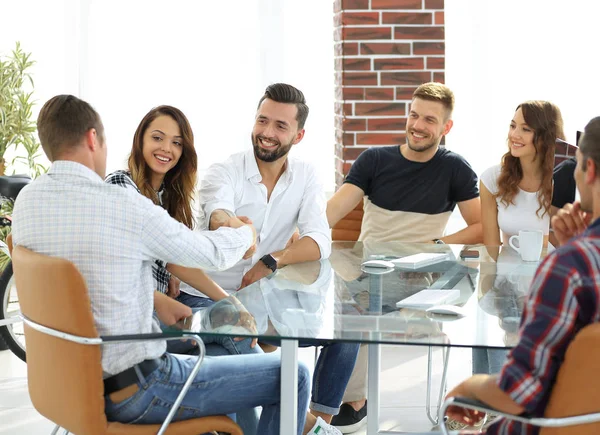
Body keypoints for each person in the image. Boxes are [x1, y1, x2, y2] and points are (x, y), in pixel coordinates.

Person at [11, 94, 312, 435]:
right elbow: (210, 253)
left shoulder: (27, 201)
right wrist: (245, 232)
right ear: (93, 138)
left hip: (70, 387)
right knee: (295, 375)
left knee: (221, 350)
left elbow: (92, 279)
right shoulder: (120, 201)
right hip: (140, 390)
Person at [198, 83, 359, 435]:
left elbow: (320, 239)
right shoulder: (224, 171)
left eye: (280, 126)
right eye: (262, 121)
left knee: (349, 329)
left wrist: (272, 258)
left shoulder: (306, 175)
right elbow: (217, 213)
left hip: (273, 302)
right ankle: (314, 429)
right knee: (261, 367)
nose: (267, 133)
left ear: (298, 136)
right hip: (218, 302)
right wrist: (236, 228)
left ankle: (322, 420)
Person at [326, 82, 482, 433]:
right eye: (413, 115)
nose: (418, 125)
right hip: (370, 268)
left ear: (446, 127)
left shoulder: (456, 168)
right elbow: (333, 211)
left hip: (421, 275)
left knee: (362, 304)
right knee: (346, 298)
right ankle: (346, 399)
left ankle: (349, 400)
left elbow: (482, 226)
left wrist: (441, 242)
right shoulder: (375, 160)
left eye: (429, 119)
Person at [444, 116, 600, 435]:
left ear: (590, 171)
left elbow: (517, 392)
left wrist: (469, 385)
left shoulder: (568, 269)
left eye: (578, 164)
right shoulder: (576, 260)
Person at [105, 105, 259, 357]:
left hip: (161, 308)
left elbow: (173, 261)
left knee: (224, 352)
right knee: (236, 330)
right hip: (135, 315)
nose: (167, 148)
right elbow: (176, 259)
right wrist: (230, 301)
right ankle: (287, 390)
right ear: (139, 140)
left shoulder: (169, 196)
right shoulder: (121, 185)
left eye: (176, 142)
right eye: (157, 138)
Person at [464, 101, 565, 430]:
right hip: (508, 281)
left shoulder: (563, 178)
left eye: (525, 128)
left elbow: (568, 243)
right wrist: (487, 292)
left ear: (545, 136)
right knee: (495, 324)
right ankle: (497, 410)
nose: (515, 135)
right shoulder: (494, 178)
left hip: (551, 282)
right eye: (512, 126)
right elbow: (491, 247)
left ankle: (501, 409)